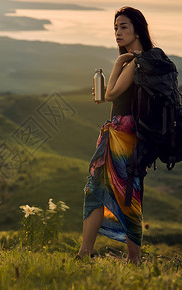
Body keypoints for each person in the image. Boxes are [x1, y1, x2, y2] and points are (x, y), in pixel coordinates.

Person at [75, 6, 155, 265]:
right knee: (126, 193)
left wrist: (119, 62)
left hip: (122, 134)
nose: (118, 33)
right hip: (136, 136)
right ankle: (128, 258)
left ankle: (93, 255)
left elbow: (110, 95)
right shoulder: (149, 59)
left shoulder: (134, 60)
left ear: (137, 30)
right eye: (116, 28)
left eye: (124, 27)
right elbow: (122, 94)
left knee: (103, 191)